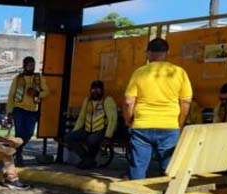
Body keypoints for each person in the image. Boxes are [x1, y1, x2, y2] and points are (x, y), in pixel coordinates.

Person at [124, 38, 192, 181]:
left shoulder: (139, 73)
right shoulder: (179, 72)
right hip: (169, 126)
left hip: (142, 125)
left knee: (138, 166)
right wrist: (180, 124)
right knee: (169, 167)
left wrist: (129, 121)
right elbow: (186, 102)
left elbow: (129, 101)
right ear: (167, 52)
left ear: (148, 53)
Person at [64, 80, 117, 169]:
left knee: (91, 140)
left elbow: (112, 119)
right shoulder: (87, 101)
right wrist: (75, 131)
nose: (95, 92)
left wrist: (108, 136)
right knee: (69, 137)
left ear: (102, 90)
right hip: (88, 130)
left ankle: (88, 161)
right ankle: (87, 159)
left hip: (101, 130)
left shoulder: (107, 100)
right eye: (93, 89)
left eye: (98, 89)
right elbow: (81, 117)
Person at [7, 56, 49, 164]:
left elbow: (46, 92)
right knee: (19, 132)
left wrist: (37, 93)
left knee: (29, 132)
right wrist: (9, 112)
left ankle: (16, 150)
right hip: (19, 109)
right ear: (24, 66)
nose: (32, 67)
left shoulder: (39, 78)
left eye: (33, 65)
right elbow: (11, 96)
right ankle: (19, 157)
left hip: (33, 110)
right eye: (30, 65)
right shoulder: (18, 78)